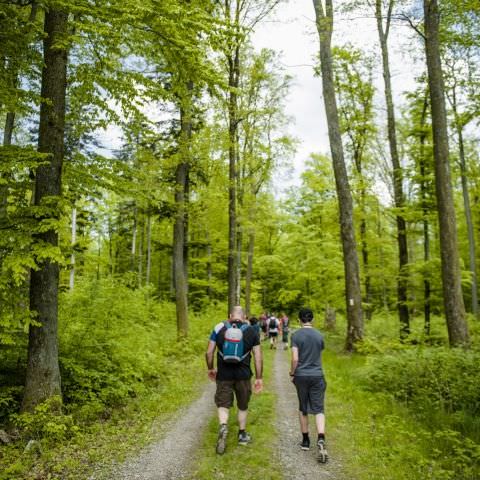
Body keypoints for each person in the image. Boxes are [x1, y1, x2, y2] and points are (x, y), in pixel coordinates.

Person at [205, 305, 263, 454]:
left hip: (224, 374)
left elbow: (209, 352)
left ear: (230, 315)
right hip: (243, 375)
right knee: (243, 405)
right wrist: (259, 377)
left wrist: (211, 368)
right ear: (244, 317)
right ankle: (242, 434)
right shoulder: (251, 330)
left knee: (223, 403)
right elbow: (258, 357)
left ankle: (223, 426)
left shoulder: (219, 327)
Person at [290, 307, 328, 463]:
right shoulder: (320, 335)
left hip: (301, 376)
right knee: (319, 409)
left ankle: (305, 440)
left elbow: (295, 358)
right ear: (312, 319)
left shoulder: (296, 335)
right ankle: (321, 438)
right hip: (317, 375)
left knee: (303, 408)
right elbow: (319, 352)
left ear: (299, 320)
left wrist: (292, 372)